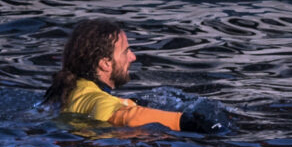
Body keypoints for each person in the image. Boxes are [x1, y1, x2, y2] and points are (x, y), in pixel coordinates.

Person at [43, 20, 186, 131]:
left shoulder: (63, 90)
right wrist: (185, 122)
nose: (133, 57)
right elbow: (129, 117)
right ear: (105, 64)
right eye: (126, 52)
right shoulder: (97, 99)